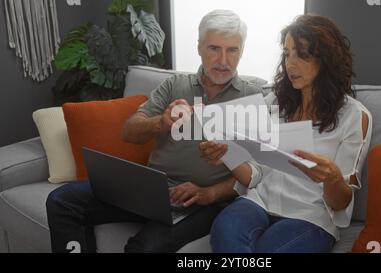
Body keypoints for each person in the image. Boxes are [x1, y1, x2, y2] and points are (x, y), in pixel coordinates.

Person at [46, 9, 263, 253]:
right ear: (200, 47)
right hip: (151, 189)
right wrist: (160, 122)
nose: (223, 60)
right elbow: (129, 132)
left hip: (201, 202)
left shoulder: (253, 96)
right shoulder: (175, 85)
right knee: (62, 201)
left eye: (232, 50)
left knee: (144, 248)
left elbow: (259, 171)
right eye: (214, 48)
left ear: (241, 51)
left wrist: (209, 193)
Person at [199, 14, 372, 253]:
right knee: (224, 229)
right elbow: (253, 176)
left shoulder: (354, 116)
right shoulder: (273, 102)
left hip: (309, 216)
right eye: (287, 53)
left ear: (326, 60)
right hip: (258, 203)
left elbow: (341, 202)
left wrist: (332, 177)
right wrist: (228, 155)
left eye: (302, 55)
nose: (291, 64)